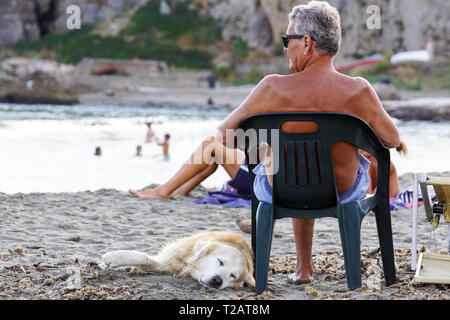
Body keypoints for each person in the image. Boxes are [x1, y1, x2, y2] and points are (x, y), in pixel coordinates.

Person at [215, 1, 400, 285]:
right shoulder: (359, 90)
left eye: (287, 40)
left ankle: (304, 270)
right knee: (307, 165)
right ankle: (304, 268)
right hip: (342, 191)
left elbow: (224, 135)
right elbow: (392, 139)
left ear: (306, 42)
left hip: (282, 192)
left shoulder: (271, 88)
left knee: (288, 164)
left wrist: (263, 147)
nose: (285, 47)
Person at [129, 136, 247, 199]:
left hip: (259, 178)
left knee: (210, 144)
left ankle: (163, 191)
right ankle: (180, 190)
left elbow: (225, 130)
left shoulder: (264, 92)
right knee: (215, 150)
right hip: (259, 169)